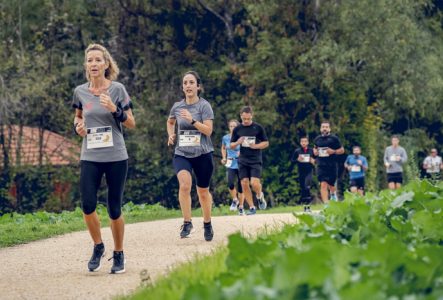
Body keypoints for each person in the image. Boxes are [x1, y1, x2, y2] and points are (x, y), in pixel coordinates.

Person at [72, 43, 136, 274]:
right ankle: (98, 246)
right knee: (87, 205)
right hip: (90, 155)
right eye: (90, 60)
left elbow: (131, 122)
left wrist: (114, 110)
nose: (94, 64)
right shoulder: (80, 91)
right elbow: (78, 117)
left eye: (98, 60)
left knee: (114, 208)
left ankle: (118, 253)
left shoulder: (117, 89)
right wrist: (78, 126)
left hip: (116, 156)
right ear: (86, 66)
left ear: (106, 64)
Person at [167, 71, 214, 241]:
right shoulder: (177, 107)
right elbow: (170, 121)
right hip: (182, 153)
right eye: (185, 83)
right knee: (185, 185)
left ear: (198, 86)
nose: (188, 85)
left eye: (191, 82)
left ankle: (207, 223)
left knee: (203, 192)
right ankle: (187, 222)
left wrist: (193, 120)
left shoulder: (204, 106)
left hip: (203, 154)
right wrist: (171, 134)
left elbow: (209, 131)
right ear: (182, 87)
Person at [230, 106, 269, 215]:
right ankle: (252, 207)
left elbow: (266, 143)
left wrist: (255, 146)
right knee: (244, 183)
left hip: (255, 159)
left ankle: (259, 196)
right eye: (244, 119)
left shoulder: (258, 128)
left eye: (248, 119)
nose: (246, 121)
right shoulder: (237, 129)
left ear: (251, 116)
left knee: (254, 183)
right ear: (241, 116)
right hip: (242, 159)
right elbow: (231, 145)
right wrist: (238, 142)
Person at [313, 121, 345, 203]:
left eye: (326, 127)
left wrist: (333, 151)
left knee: (331, 184)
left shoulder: (334, 139)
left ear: (329, 129)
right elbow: (315, 148)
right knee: (323, 184)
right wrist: (315, 151)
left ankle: (333, 194)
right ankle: (326, 204)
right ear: (320, 129)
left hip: (331, 165)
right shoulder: (317, 139)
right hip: (321, 165)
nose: (324, 128)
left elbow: (342, 150)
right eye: (323, 127)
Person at [221, 119, 246, 214]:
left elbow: (248, 148)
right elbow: (223, 148)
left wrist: (242, 152)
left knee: (241, 186)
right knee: (230, 183)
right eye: (231, 126)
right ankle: (235, 200)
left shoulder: (242, 138)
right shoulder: (225, 138)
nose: (232, 128)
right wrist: (224, 157)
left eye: (234, 126)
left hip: (241, 164)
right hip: (230, 163)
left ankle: (241, 207)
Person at [291, 136, 315, 212]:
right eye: (302, 141)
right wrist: (297, 159)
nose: (304, 143)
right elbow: (292, 160)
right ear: (300, 143)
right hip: (301, 172)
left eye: (305, 141)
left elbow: (317, 159)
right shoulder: (297, 151)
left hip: (309, 171)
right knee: (303, 188)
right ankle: (305, 206)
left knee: (307, 186)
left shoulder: (312, 151)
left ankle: (308, 205)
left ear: (308, 142)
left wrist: (313, 161)